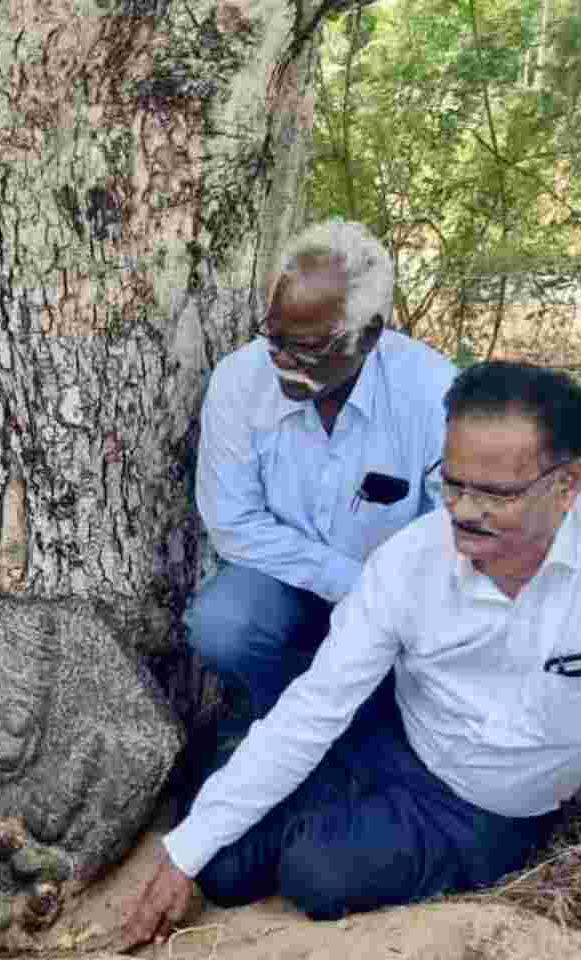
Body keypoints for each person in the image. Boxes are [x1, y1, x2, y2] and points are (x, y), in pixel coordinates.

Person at [120, 361, 581, 960]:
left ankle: (289, 798)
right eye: (453, 484)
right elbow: (314, 709)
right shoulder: (409, 561)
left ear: (568, 482)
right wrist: (184, 854)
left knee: (317, 874)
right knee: (220, 865)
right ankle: (251, 775)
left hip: (484, 806)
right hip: (390, 737)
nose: (464, 512)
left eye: (495, 494)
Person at [189, 218, 456, 723]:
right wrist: (344, 581)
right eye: (274, 336)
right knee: (222, 626)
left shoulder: (431, 391)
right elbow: (233, 523)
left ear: (370, 335)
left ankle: (379, 732)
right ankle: (281, 721)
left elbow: (453, 526)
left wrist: (386, 599)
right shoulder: (239, 381)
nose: (282, 362)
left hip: (395, 591)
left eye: (308, 347)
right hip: (279, 576)